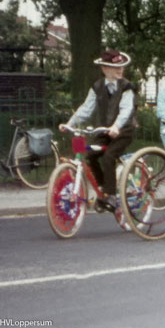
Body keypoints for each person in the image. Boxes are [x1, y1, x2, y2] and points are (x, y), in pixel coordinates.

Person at [59, 49, 136, 211]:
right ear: (104, 69)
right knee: (91, 155)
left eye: (122, 66)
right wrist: (70, 124)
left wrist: (117, 126)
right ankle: (102, 189)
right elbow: (86, 109)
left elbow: (126, 109)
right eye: (116, 67)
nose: (120, 70)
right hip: (105, 131)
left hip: (124, 130)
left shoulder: (127, 87)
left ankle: (111, 196)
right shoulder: (97, 87)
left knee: (109, 157)